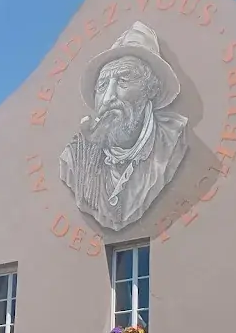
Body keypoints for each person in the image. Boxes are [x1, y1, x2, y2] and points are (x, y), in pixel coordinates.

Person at [59, 21, 188, 231]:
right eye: (102, 86)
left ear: (151, 90)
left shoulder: (171, 141)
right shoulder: (74, 158)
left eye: (123, 80)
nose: (108, 97)